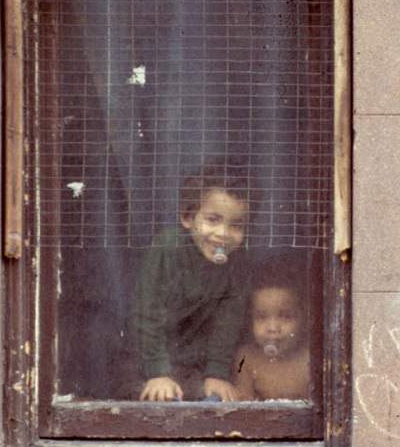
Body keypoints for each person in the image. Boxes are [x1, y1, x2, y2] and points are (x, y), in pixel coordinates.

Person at [128, 163, 250, 401]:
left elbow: (229, 321)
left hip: (192, 366)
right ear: (187, 217)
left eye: (236, 225)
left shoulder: (237, 262)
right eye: (213, 220)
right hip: (146, 359)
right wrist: (158, 372)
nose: (223, 233)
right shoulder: (168, 248)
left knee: (213, 401)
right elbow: (146, 312)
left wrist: (217, 372)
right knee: (151, 398)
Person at [233, 257, 311, 401]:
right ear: (249, 320)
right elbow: (242, 411)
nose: (273, 328)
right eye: (262, 317)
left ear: (303, 319)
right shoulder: (246, 359)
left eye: (286, 316)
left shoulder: (309, 359)